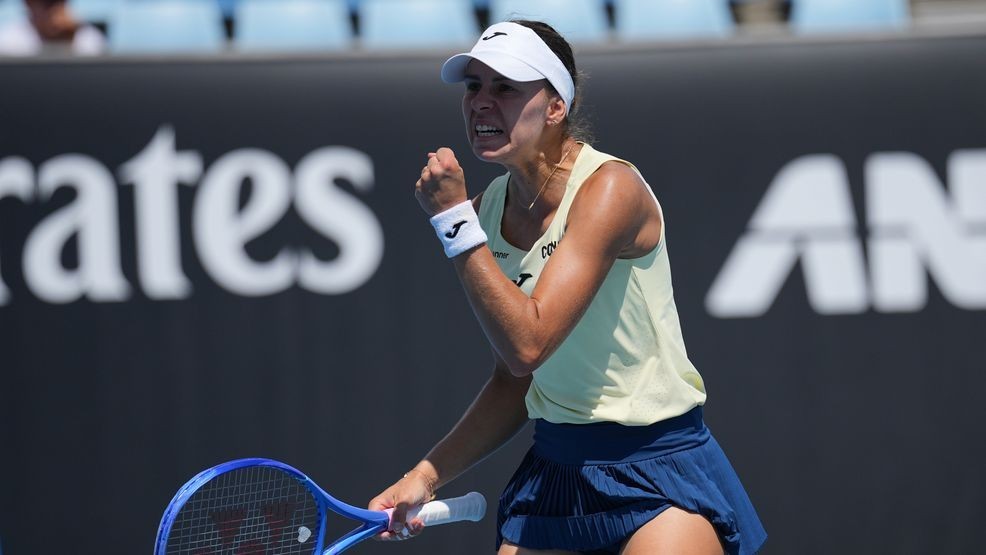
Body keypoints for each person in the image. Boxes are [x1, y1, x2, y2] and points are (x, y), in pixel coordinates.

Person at [369, 20, 767, 555]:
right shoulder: (489, 209)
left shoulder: (610, 189)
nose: (482, 103)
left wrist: (454, 223)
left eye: (505, 87)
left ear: (556, 107)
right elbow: (518, 377)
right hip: (557, 472)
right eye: (474, 87)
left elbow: (529, 342)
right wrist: (426, 474)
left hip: (656, 469)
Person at [0, 0, 105, 56]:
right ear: (28, 3)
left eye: (61, 1)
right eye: (48, 2)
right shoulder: (7, 40)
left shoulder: (89, 37)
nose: (56, 8)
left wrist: (67, 43)